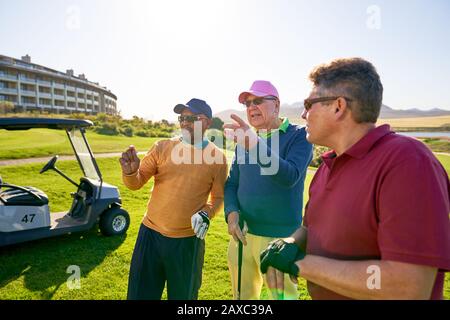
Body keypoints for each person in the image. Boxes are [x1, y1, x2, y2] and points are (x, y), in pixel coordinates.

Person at [260, 58, 450, 300]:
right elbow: (311, 230)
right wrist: (289, 243)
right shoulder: (327, 166)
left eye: (309, 104)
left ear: (338, 106)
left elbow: (408, 286)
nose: (303, 113)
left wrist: (301, 264)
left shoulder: (407, 161)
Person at [122, 98, 228, 300]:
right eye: (182, 118)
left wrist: (206, 213)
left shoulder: (218, 158)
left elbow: (219, 197)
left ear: (207, 122)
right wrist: (130, 173)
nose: (185, 122)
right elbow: (136, 183)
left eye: (192, 118)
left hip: (188, 243)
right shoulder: (162, 147)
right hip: (150, 236)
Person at [223, 80, 313, 299]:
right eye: (247, 103)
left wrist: (253, 144)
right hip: (242, 236)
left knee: (282, 298)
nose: (251, 107)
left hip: (280, 240)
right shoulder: (245, 140)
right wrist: (232, 214)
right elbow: (232, 183)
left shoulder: (299, 135)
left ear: (277, 105)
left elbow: (288, 176)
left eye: (258, 101)